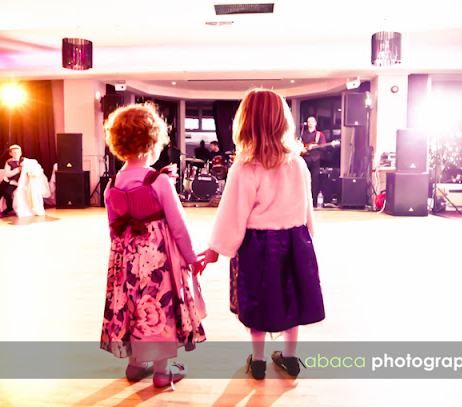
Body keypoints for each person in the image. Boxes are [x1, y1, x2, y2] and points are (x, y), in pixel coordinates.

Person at [198, 89, 325, 380]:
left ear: (246, 122)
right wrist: (308, 235)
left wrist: (215, 249)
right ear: (284, 121)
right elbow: (306, 205)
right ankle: (290, 358)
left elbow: (233, 212)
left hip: (258, 244)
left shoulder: (245, 166)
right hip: (295, 241)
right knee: (291, 297)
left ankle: (258, 361)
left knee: (256, 298)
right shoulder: (297, 162)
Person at [100, 102, 206, 389]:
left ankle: (136, 363)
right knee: (159, 306)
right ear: (152, 143)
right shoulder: (158, 182)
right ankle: (162, 371)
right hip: (158, 259)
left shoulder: (112, 184)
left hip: (125, 259)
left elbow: (113, 228)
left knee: (133, 306)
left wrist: (123, 257)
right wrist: (191, 258)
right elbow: (178, 225)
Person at [0, 144, 23, 217]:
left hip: (16, 182)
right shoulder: (9, 162)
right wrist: (18, 169)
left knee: (7, 193)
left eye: (18, 152)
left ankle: (10, 207)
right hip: (7, 180)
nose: (16, 154)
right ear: (10, 153)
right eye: (14, 152)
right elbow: (8, 174)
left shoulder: (23, 161)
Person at [301, 117, 327, 207]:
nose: (310, 123)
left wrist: (315, 146)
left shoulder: (319, 135)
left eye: (312, 121)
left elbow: (323, 147)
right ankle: (304, 201)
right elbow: (300, 145)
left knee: (314, 180)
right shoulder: (303, 134)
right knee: (304, 180)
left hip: (315, 159)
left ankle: (314, 202)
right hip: (305, 159)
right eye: (309, 121)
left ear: (315, 123)